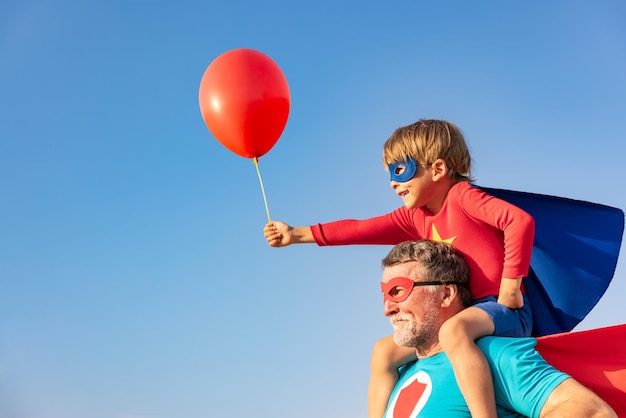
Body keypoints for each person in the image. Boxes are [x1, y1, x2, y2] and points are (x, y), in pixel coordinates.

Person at [264, 119, 535, 418]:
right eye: (389, 174)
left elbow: (518, 221)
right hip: (461, 313)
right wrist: (296, 234)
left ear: (438, 169)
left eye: (401, 170)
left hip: (502, 311)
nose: (393, 182)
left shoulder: (462, 196)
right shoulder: (416, 217)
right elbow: (360, 229)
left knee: (454, 331)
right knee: (383, 353)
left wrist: (510, 287)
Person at [378, 239, 616, 418]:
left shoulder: (493, 354)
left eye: (398, 292)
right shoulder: (401, 373)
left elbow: (592, 412)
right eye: (384, 295)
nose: (388, 309)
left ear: (446, 294)